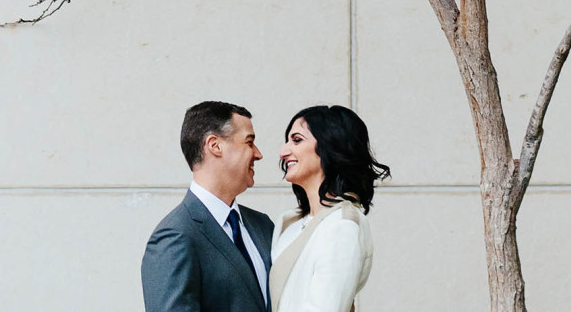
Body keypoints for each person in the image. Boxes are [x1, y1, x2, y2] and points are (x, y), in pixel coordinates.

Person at [142, 101, 275, 312]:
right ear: (215, 145)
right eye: (249, 143)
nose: (258, 154)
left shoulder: (263, 226)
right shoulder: (175, 236)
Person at [270, 105, 391, 312]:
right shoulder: (289, 224)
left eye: (297, 140)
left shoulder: (342, 225)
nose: (283, 152)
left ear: (329, 146)